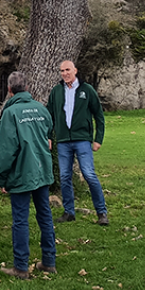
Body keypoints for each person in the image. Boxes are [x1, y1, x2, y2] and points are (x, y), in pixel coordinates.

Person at [0, 71, 57, 279]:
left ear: (9, 90)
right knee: (45, 216)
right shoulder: (41, 109)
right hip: (42, 170)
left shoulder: (10, 113)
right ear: (28, 88)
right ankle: (49, 261)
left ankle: (21, 266)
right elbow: (48, 132)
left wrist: (2, 178)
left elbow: (6, 150)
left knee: (20, 220)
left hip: (22, 172)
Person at [47, 60, 109, 226]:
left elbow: (99, 116)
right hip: (63, 141)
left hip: (82, 139)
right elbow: (49, 116)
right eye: (62, 71)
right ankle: (69, 212)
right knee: (65, 176)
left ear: (75, 70)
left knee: (89, 174)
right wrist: (49, 136)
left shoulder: (86, 90)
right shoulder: (56, 91)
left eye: (68, 70)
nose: (65, 73)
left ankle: (102, 212)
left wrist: (98, 139)